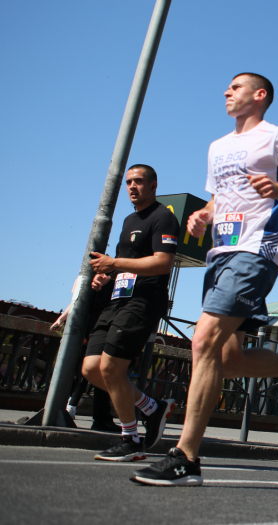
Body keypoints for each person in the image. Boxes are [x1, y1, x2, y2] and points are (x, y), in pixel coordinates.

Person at [131, 74, 278, 486]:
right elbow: (219, 195)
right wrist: (205, 214)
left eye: (235, 87)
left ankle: (186, 456)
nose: (226, 92)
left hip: (257, 249)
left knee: (202, 339)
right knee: (227, 360)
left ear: (259, 96)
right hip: (219, 252)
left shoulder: (277, 136)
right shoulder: (217, 147)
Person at [82, 164, 179, 462]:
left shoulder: (164, 217)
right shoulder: (127, 220)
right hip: (117, 300)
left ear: (153, 185)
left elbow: (163, 263)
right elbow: (123, 262)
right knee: (91, 369)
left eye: (138, 181)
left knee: (112, 368)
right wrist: (106, 275)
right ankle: (151, 407)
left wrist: (115, 264)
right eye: (128, 183)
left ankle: (131, 440)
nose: (132, 187)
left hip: (143, 301)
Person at [52, 277, 119, 433]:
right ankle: (77, 408)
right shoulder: (102, 276)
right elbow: (77, 301)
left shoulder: (89, 277)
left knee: (84, 369)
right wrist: (61, 320)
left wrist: (61, 320)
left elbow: (77, 301)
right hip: (96, 324)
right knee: (91, 370)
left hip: (87, 324)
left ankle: (70, 405)